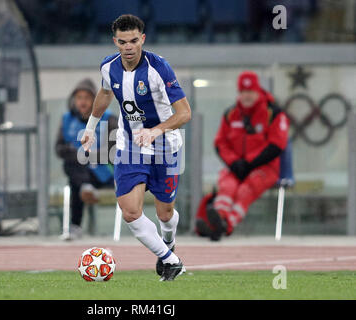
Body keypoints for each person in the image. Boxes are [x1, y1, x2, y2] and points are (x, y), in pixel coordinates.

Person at [80, 15, 191, 281]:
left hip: (166, 146)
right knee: (130, 211)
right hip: (130, 146)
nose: (128, 47)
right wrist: (90, 127)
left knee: (165, 213)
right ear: (115, 42)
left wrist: (154, 131)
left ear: (142, 39)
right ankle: (170, 260)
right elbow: (106, 93)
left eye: (133, 41)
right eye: (122, 41)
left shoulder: (159, 69)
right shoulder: (108, 67)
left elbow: (185, 113)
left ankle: (168, 242)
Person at [196, 71, 290, 241]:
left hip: (265, 168)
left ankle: (225, 224)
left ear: (258, 91)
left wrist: (249, 162)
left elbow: (277, 145)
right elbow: (220, 143)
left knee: (246, 189)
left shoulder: (273, 113)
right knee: (227, 185)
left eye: (250, 92)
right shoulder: (231, 114)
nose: (246, 96)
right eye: (243, 92)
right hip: (237, 166)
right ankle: (219, 219)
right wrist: (234, 163)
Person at [55, 78, 118, 240]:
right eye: (79, 98)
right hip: (78, 168)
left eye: (87, 98)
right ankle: (86, 188)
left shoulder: (109, 119)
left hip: (104, 172)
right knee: (73, 168)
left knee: (76, 179)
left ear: (94, 100)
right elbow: (59, 148)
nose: (82, 102)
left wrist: (86, 154)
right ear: (74, 100)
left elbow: (113, 150)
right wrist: (79, 155)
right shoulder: (67, 119)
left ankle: (75, 225)